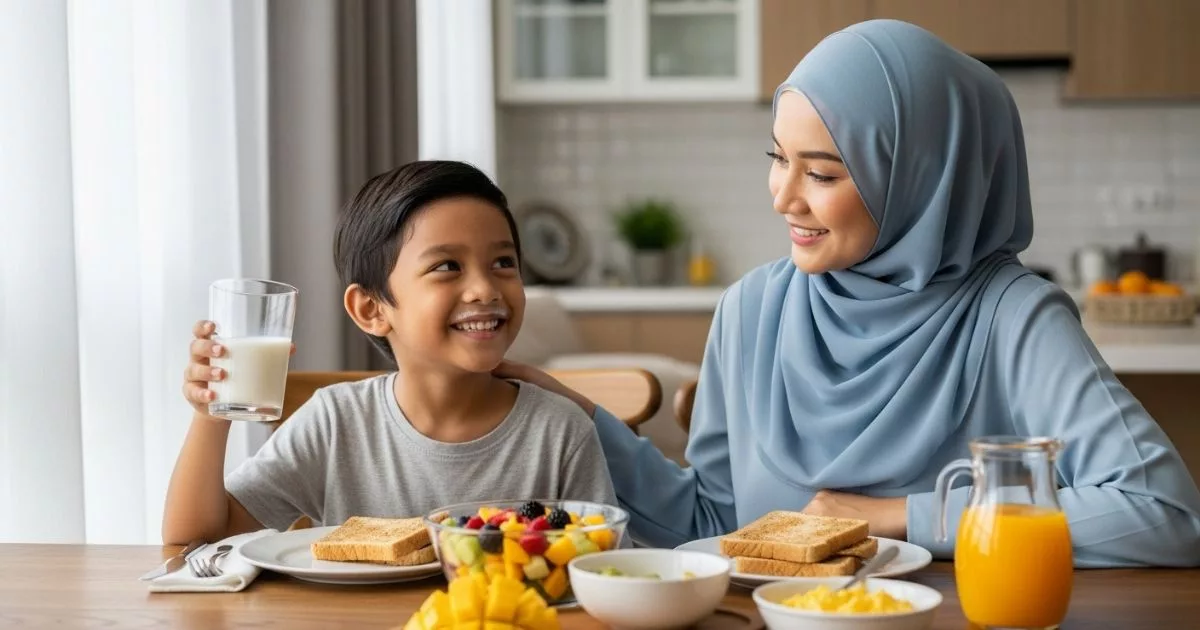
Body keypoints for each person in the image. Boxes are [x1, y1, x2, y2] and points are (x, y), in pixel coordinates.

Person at [495, 20, 1200, 567]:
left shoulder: (1013, 317)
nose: (783, 197)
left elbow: (1167, 513)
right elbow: (716, 527)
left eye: (822, 174)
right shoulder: (750, 311)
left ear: (921, 179)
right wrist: (578, 416)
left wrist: (896, 517)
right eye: (778, 158)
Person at [163, 160, 615, 544]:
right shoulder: (336, 423)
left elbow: (601, 570)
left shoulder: (561, 432)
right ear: (372, 309)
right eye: (447, 266)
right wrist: (211, 414)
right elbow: (195, 539)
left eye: (503, 262)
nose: (484, 289)